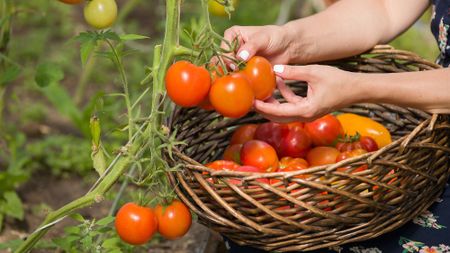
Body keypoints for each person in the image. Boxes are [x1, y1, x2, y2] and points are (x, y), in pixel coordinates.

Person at [221, 0, 450, 252]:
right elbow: (383, 9)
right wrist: (287, 39)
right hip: (435, 149)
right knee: (262, 229)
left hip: (436, 167)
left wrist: (358, 87)